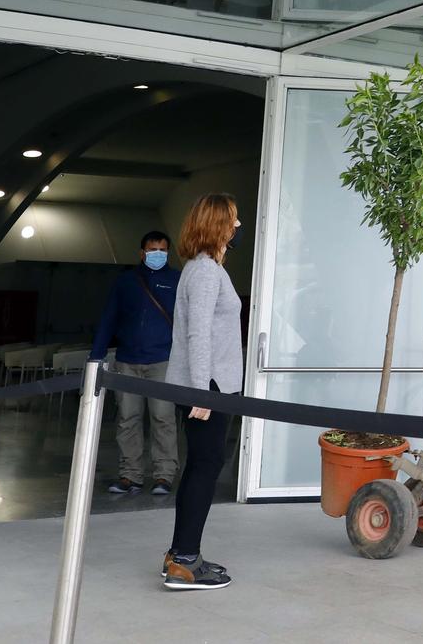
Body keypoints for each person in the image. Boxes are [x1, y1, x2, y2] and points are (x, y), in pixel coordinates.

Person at [162, 193, 244, 590]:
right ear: (217, 225)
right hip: (208, 388)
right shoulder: (207, 271)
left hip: (208, 385)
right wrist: (202, 393)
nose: (238, 226)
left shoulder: (199, 268)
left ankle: (182, 554)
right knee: (205, 468)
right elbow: (198, 334)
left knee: (199, 467)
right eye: (233, 219)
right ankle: (185, 562)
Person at [92, 230, 180, 497]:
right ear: (142, 253)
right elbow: (109, 318)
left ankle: (164, 476)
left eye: (162, 251)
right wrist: (95, 356)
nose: (157, 255)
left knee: (163, 419)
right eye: (152, 251)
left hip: (162, 360)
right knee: (127, 419)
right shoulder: (126, 281)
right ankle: (130, 475)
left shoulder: (177, 280)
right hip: (127, 360)